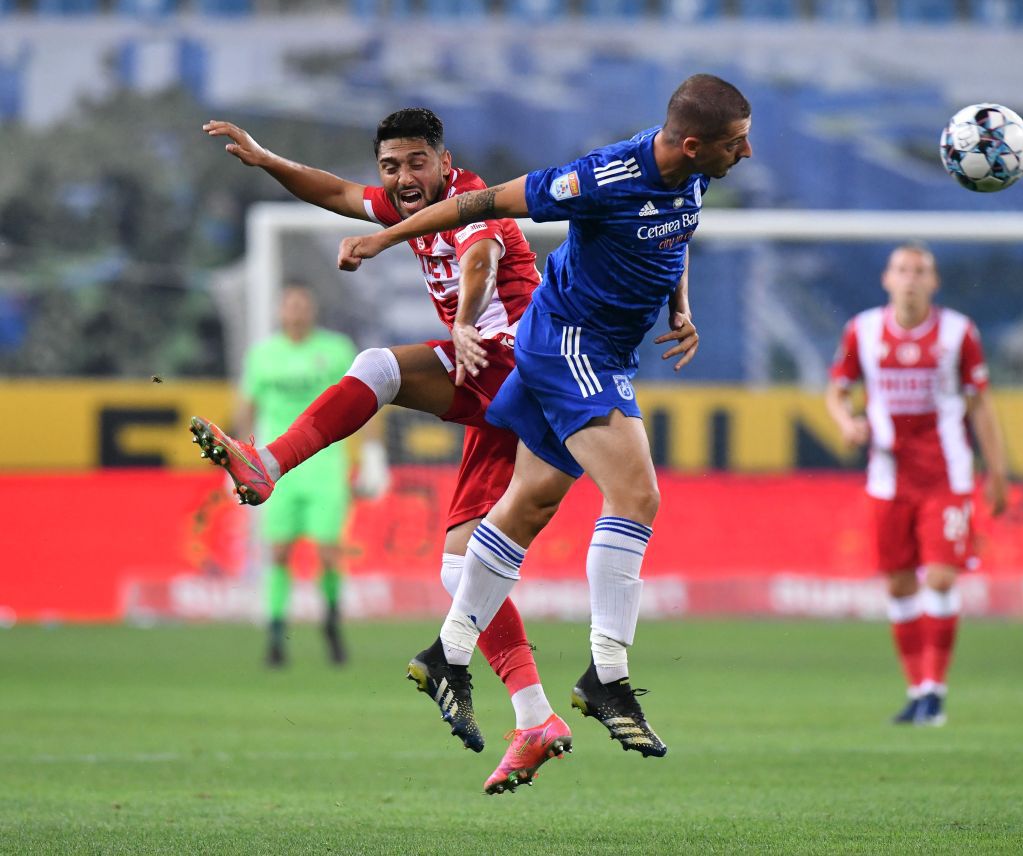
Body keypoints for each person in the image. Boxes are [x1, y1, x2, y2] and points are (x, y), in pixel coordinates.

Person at [337, 74, 753, 761]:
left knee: (527, 503)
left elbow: (675, 232)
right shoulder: (602, 177)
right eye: (737, 143)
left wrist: (679, 306)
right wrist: (386, 239)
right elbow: (482, 199)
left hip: (593, 345)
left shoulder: (696, 172)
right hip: (570, 343)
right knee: (637, 495)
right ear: (691, 142)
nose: (746, 154)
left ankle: (448, 651)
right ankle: (607, 676)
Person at [191, 109, 570, 794]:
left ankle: (268, 463)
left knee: (378, 367)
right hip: (499, 392)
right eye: (391, 166)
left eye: (416, 163)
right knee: (459, 568)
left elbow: (481, 257)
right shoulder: (400, 206)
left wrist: (458, 322)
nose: (402, 178)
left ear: (445, 161)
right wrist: (267, 158)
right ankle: (536, 717)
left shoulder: (472, 200)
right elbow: (335, 193)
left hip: (521, 363)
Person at [824, 242, 1009, 727]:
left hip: (946, 477)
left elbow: (982, 404)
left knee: (942, 577)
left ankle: (935, 691)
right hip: (888, 479)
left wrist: (999, 470)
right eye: (902, 270)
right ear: (887, 279)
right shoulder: (862, 330)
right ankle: (916, 692)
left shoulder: (957, 333)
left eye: (920, 271)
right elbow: (837, 391)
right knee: (900, 584)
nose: (910, 278)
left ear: (934, 282)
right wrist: (845, 422)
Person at [215, 283, 371, 668]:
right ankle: (275, 635)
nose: (297, 311)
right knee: (279, 551)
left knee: (329, 552)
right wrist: (232, 463)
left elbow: (367, 400)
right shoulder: (263, 356)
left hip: (325, 466)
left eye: (303, 303)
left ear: (312, 309)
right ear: (280, 311)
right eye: (290, 305)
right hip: (276, 467)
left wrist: (372, 455)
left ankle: (332, 624)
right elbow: (246, 408)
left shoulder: (335, 350)